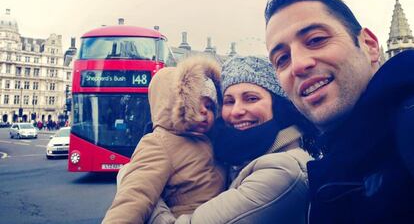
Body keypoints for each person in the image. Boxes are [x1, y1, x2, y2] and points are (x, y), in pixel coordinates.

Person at [264, 0, 414, 223]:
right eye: (282, 59)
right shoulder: (336, 161)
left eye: (316, 40)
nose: (298, 64)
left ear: (370, 45)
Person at [149, 56, 315, 224]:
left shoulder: (283, 170)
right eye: (229, 101)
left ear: (277, 105)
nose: (236, 111)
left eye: (251, 98)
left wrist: (147, 192)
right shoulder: (238, 158)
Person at [102, 56, 226, 224]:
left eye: (211, 107)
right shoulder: (159, 143)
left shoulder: (211, 141)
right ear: (176, 104)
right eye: (196, 103)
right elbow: (134, 196)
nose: (205, 111)